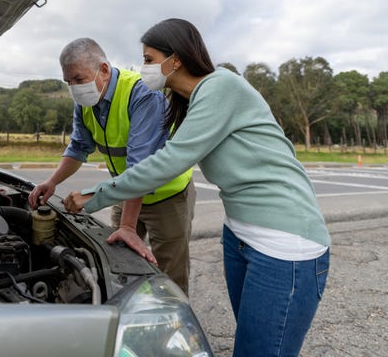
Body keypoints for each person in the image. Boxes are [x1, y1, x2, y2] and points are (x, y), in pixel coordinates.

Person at [63, 19, 330, 357]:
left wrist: (93, 196)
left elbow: (168, 162)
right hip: (240, 236)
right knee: (248, 343)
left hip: (286, 243)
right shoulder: (186, 101)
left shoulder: (221, 86)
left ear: (175, 61)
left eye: (148, 59)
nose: (143, 68)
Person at [27, 37, 196, 294]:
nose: (73, 88)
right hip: (125, 191)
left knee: (168, 274)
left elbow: (140, 166)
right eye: (67, 82)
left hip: (167, 196)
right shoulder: (85, 102)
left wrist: (128, 226)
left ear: (103, 70)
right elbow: (78, 148)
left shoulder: (143, 94)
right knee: (117, 264)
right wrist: (52, 182)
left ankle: (173, 327)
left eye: (78, 79)